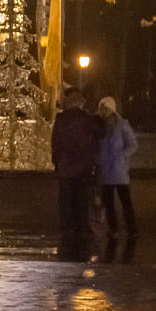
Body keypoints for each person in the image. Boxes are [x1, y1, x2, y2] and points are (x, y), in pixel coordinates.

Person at [50, 87, 103, 256]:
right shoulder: (86, 119)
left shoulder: (61, 119)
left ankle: (67, 228)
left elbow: (55, 143)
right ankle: (81, 227)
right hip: (82, 167)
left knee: (65, 199)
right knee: (81, 199)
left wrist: (57, 162)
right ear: (80, 103)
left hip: (66, 167)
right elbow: (100, 133)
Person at [96, 96, 139, 239]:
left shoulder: (122, 125)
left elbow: (133, 144)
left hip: (119, 169)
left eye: (106, 108)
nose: (103, 112)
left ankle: (132, 229)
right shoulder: (98, 126)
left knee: (125, 201)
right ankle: (113, 229)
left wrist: (123, 156)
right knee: (109, 203)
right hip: (106, 170)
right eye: (101, 109)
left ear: (112, 110)